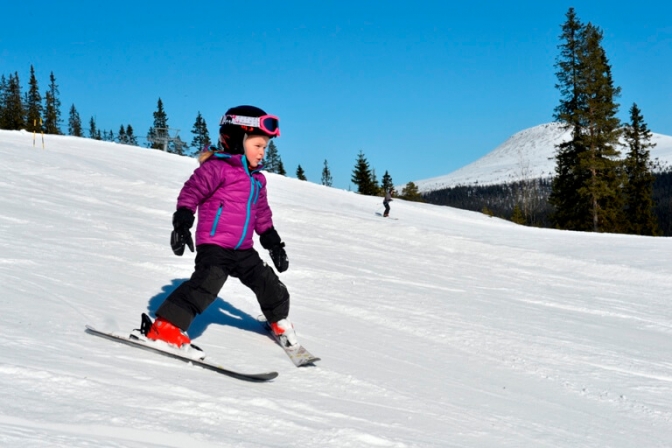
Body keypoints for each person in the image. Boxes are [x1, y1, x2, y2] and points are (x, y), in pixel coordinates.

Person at [141, 105, 298, 348]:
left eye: (265, 147)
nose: (262, 153)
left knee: (268, 283)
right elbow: (191, 192)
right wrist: (182, 222)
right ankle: (166, 326)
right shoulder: (217, 168)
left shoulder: (258, 180)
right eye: (257, 146)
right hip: (215, 245)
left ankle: (278, 320)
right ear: (236, 140)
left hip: (243, 249)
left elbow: (262, 214)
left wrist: (274, 243)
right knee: (207, 282)